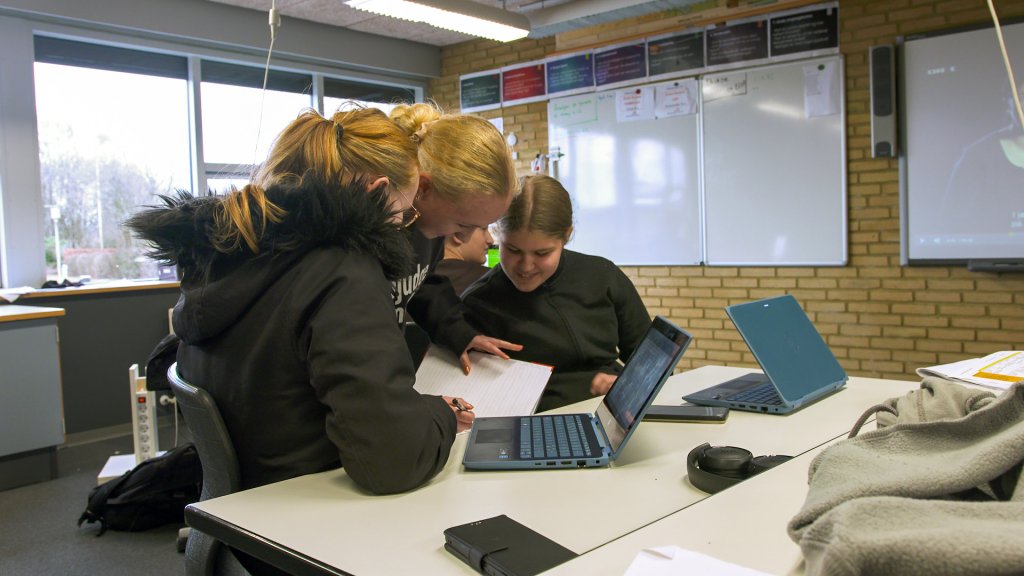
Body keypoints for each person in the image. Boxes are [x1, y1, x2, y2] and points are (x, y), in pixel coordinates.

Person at [127, 107, 474, 496]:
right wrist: (441, 415)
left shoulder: (227, 256)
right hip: (303, 517)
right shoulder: (344, 274)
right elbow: (393, 462)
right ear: (376, 194)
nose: (403, 226)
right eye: (404, 212)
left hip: (247, 510)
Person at [461, 175, 652, 411]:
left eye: (542, 254)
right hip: (528, 426)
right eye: (512, 250)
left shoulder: (603, 277)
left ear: (567, 235)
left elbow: (650, 363)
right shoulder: (478, 302)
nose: (525, 266)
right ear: (497, 234)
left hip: (608, 413)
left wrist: (628, 386)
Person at [387, 102, 522, 372]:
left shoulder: (429, 229)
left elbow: (423, 283)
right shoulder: (377, 236)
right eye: (463, 224)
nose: (465, 236)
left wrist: (460, 333)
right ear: (423, 187)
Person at [435, 226, 494, 296]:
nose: (490, 240)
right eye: (483, 229)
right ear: (458, 234)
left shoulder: (423, 277)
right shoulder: (490, 279)